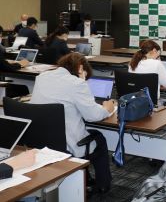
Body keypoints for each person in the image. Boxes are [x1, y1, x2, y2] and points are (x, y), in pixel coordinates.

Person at [30, 53, 115, 193]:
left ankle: (85, 178)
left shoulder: (42, 77)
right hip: (66, 145)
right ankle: (103, 184)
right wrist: (107, 108)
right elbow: (93, 116)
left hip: (41, 142)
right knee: (99, 138)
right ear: (80, 68)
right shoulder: (77, 83)